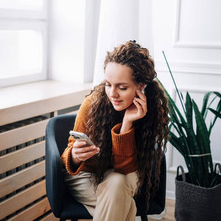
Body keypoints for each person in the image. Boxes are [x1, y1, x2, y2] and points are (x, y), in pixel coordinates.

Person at [60, 40, 169, 221]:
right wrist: (75, 155)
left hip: (128, 175)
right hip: (86, 176)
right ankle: (126, 206)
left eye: (122, 87)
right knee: (122, 197)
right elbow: (68, 156)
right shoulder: (92, 104)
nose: (112, 93)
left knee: (118, 182)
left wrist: (127, 123)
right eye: (108, 84)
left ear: (140, 86)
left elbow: (126, 170)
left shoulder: (152, 111)